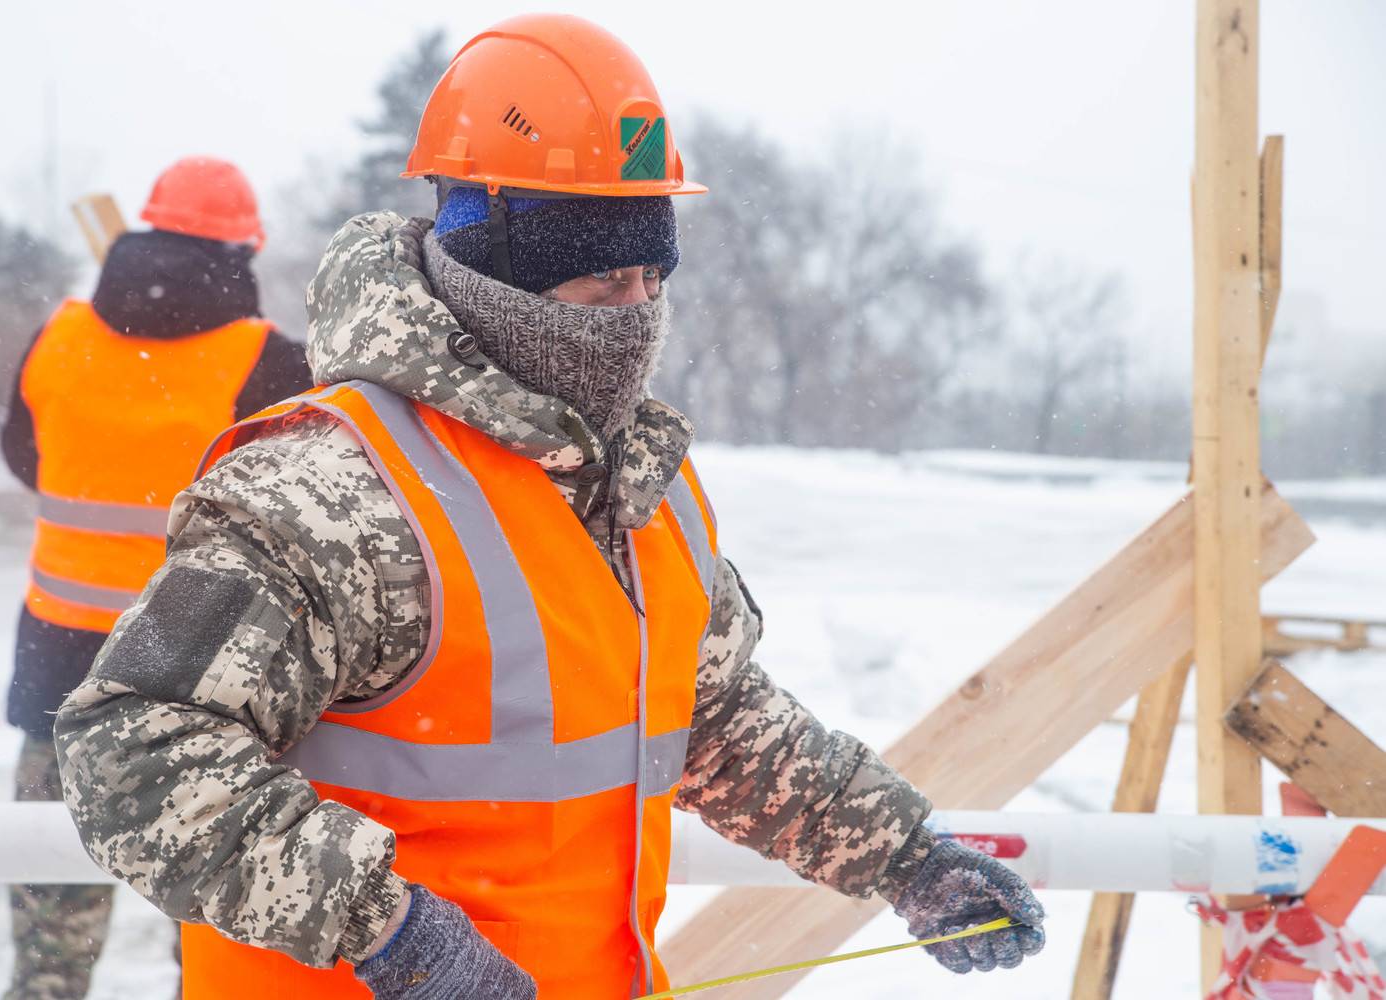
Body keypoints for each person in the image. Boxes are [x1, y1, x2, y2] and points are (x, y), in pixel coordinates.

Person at [54, 16, 1045, 999]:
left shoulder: (640, 485)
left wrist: (908, 858)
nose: (636, 310)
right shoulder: (333, 488)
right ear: (488, 263)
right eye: (603, 273)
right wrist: (388, 929)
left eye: (654, 273)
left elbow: (718, 719)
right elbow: (130, 745)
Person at [0, 156, 310, 1000]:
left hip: (59, 673)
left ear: (146, 227)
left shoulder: (56, 339)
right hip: (202, 685)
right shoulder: (271, 367)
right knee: (214, 949)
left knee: (50, 938)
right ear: (246, 250)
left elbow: (26, 458)